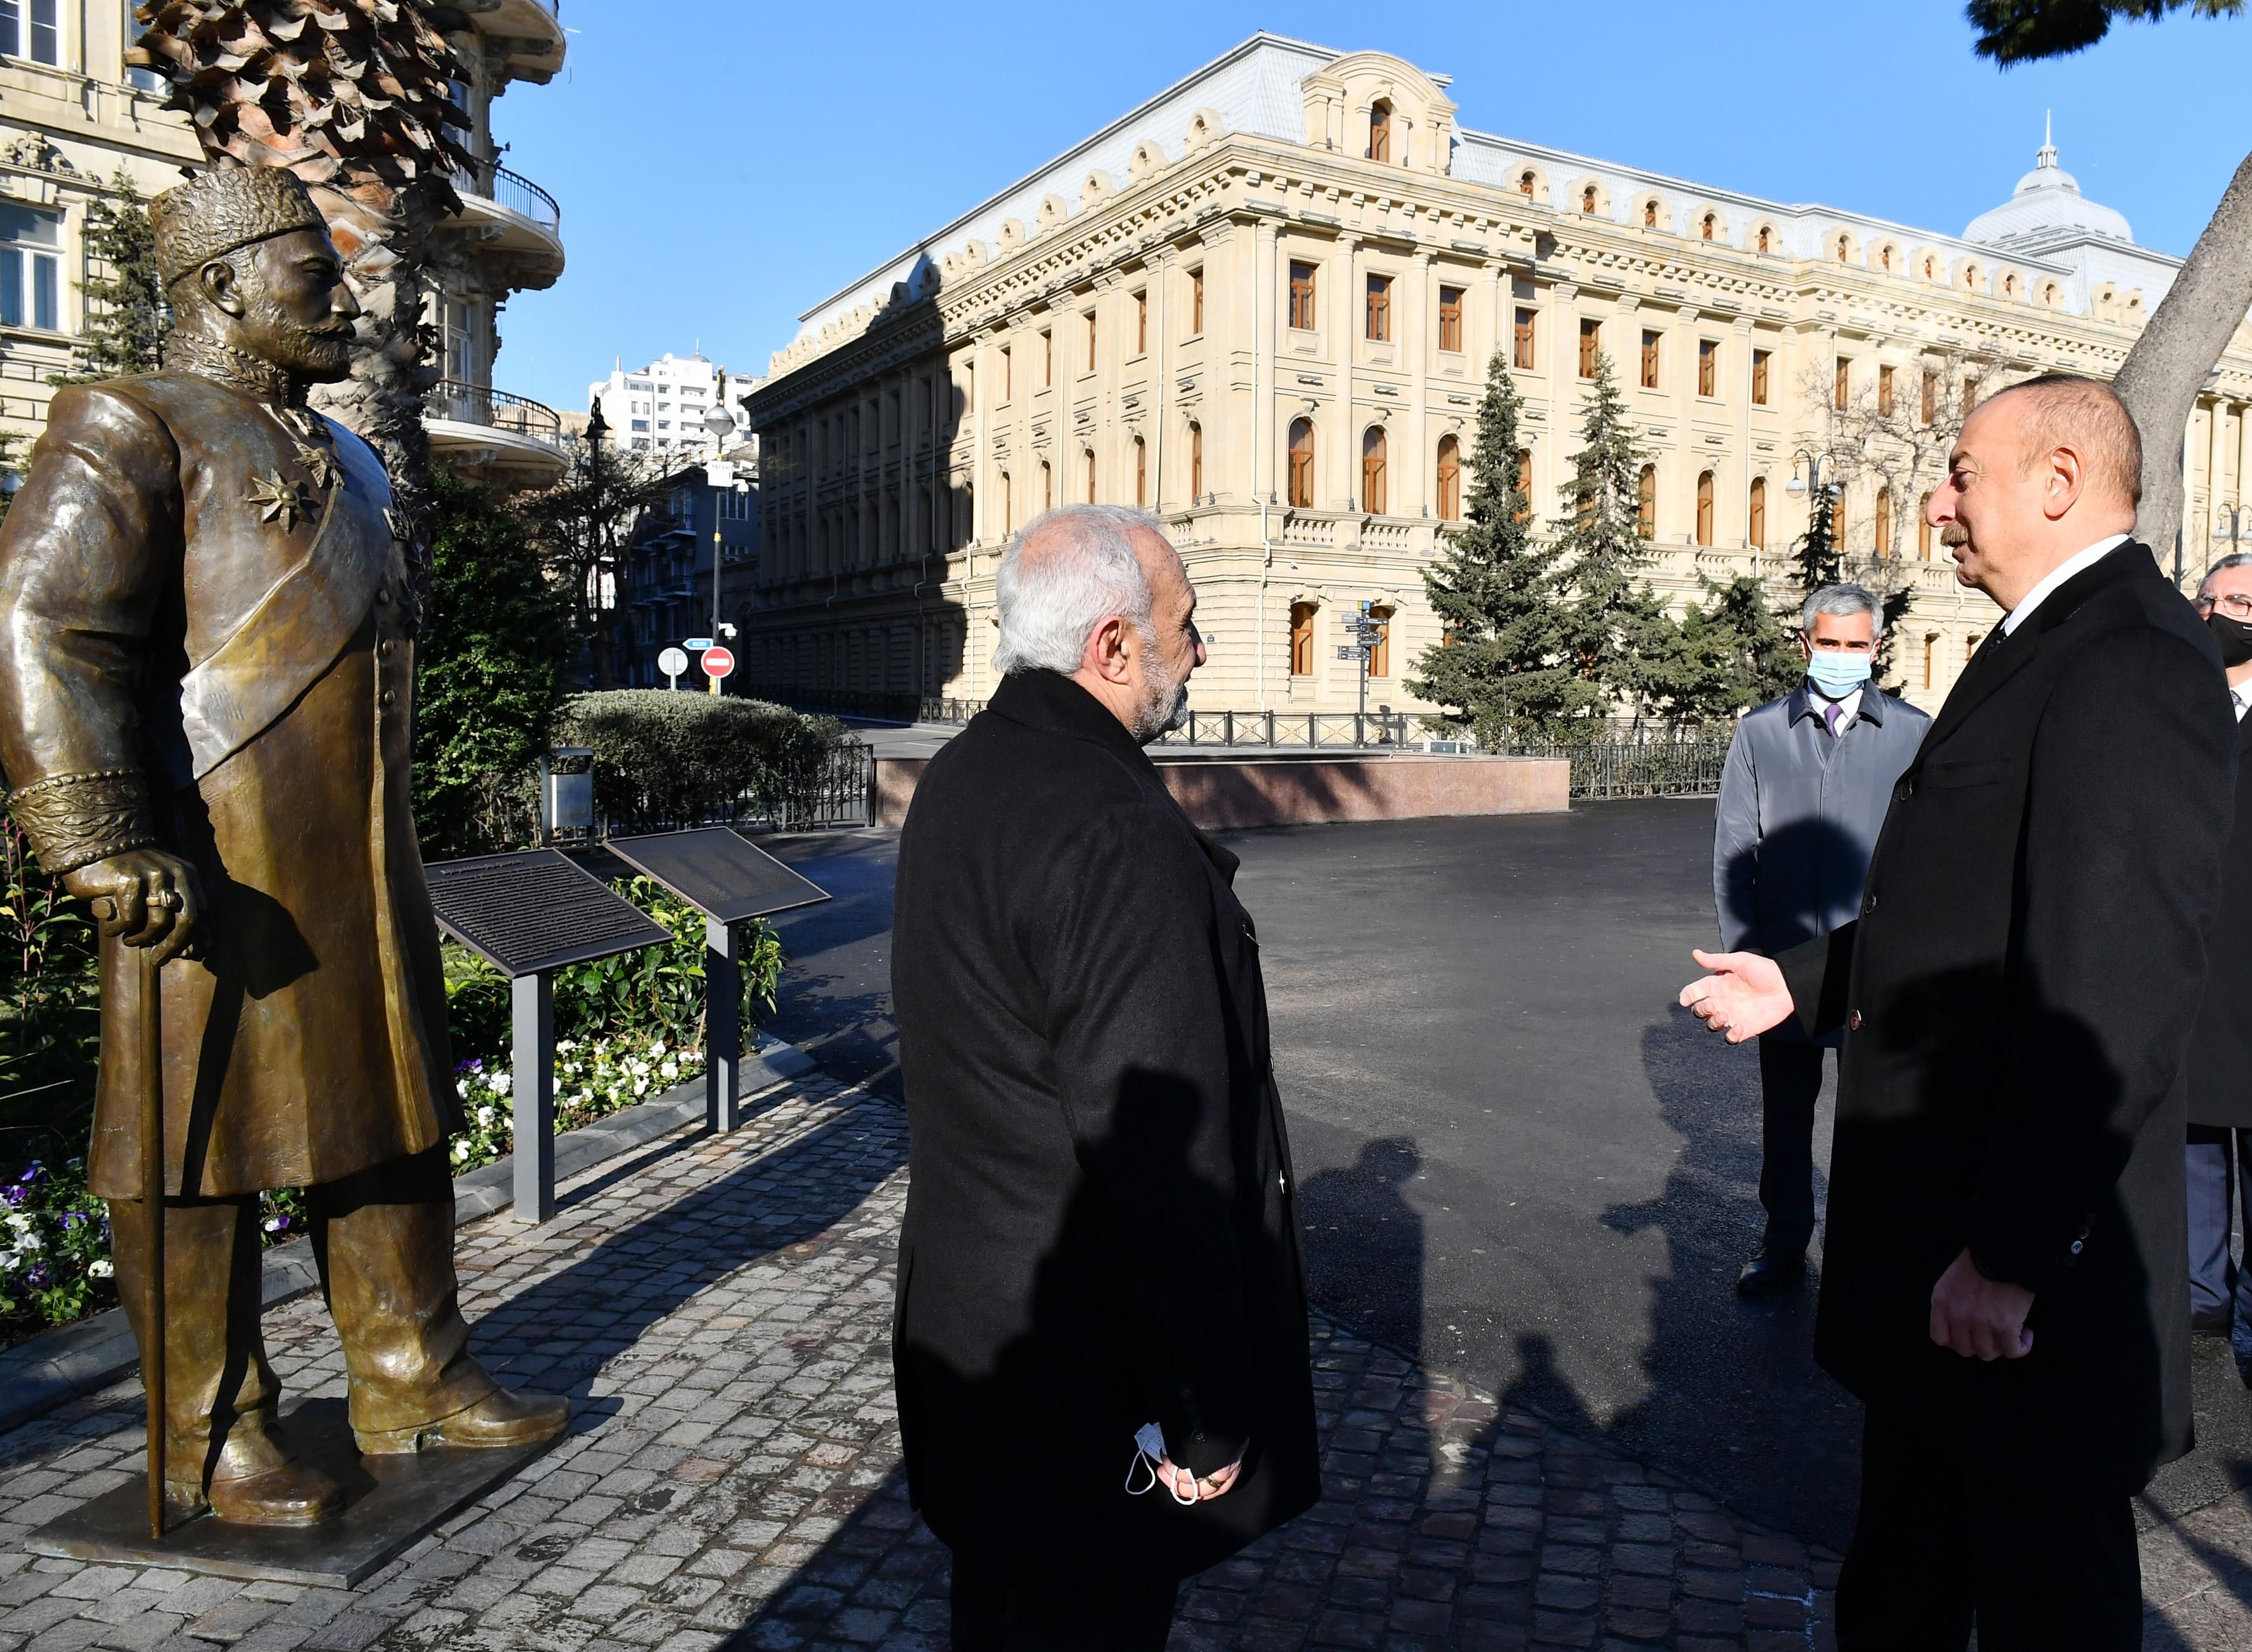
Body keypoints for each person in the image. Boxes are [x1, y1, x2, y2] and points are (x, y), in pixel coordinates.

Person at [0, 168, 566, 1526]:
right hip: (209, 856)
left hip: (356, 857)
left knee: (392, 1118)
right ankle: (210, 1433)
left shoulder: (351, 453)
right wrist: (96, 835)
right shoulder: (125, 421)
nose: (347, 306)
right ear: (224, 287)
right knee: (196, 1146)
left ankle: (408, 1371)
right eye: (317, 279)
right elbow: (40, 627)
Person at [1677, 374, 2233, 1648]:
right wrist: (1803, 981)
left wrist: (2016, 1251)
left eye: (1962, 474)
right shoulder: (2042, 644)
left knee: (2045, 1609)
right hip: (1946, 1272)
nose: (1937, 504)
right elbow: (1967, 912)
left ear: (2055, 480)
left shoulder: (2131, 661)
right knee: (1907, 1588)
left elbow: (2112, 986)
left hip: (2013, 1297)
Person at [890, 505, 1320, 1648]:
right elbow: (1152, 1154)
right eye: (1183, 624)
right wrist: (1206, 1414)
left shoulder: (962, 776)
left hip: (980, 1332)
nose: (1199, 649)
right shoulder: (1113, 825)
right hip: (1087, 1375)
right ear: (1114, 645)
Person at [1712, 584, 1930, 1297]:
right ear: (1805, 645)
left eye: (1856, 645)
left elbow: (1927, 856)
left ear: (1875, 649)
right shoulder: (1760, 732)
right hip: (1781, 968)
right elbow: (1735, 854)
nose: (1842, 658)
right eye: (1829, 644)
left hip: (1874, 968)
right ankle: (1782, 1245)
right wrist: (1748, 962)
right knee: (1786, 1123)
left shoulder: (1912, 733)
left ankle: (1868, 1253)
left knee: (1873, 1123)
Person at [2183, 550, 2252, 1360]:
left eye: (2240, 602)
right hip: (2194, 962)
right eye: (2213, 601)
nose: (2224, 616)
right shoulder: (2182, 705)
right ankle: (2201, 1297)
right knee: (2194, 1144)